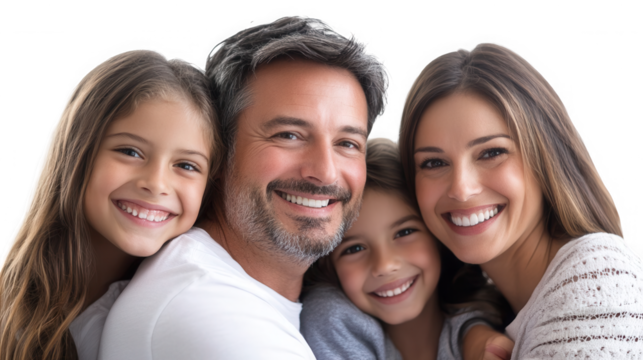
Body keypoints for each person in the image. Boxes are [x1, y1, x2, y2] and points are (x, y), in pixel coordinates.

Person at [98, 15, 391, 359]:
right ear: (219, 154)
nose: (325, 173)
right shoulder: (215, 318)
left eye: (347, 143)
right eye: (289, 135)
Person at [398, 42, 643, 358]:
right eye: (433, 163)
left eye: (492, 153)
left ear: (547, 156)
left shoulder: (597, 277)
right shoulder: (490, 309)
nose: (461, 188)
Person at [0, 50, 222, 360]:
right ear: (76, 153)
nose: (156, 183)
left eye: (186, 165)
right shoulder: (11, 295)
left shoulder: (185, 309)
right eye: (130, 152)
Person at [301, 137, 514, 360]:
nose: (384, 264)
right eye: (354, 249)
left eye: (404, 233)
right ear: (328, 263)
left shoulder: (494, 327)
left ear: (437, 235)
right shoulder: (329, 318)